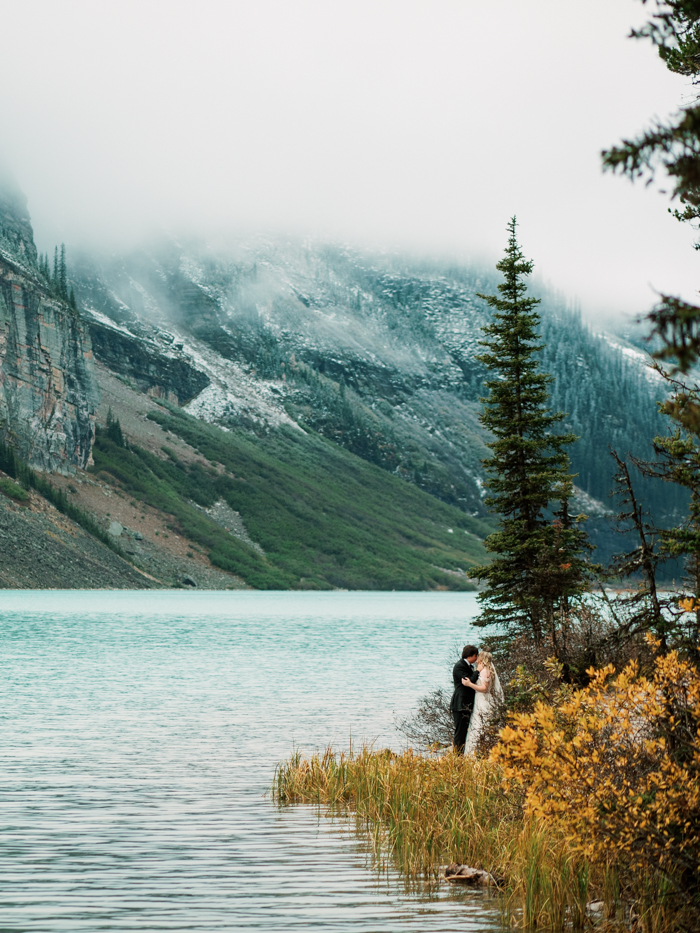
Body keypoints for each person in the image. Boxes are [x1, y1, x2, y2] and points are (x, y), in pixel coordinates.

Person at [461, 650, 503, 755]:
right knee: (482, 723)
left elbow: (484, 689)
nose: (476, 658)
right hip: (485, 699)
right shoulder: (488, 670)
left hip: (483, 700)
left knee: (479, 724)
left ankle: (477, 751)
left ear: (482, 658)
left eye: (478, 657)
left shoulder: (485, 671)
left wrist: (469, 684)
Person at [450, 645, 479, 753]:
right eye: (476, 655)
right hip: (460, 704)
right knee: (460, 732)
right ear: (471, 655)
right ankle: (458, 756)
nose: (477, 658)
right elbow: (469, 681)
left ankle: (462, 754)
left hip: (466, 703)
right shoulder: (460, 666)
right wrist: (478, 671)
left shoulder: (467, 666)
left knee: (465, 731)